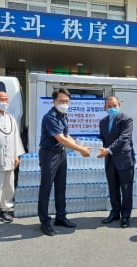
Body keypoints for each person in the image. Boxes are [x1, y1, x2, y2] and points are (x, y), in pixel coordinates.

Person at [38, 87, 90, 236]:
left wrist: (79, 146)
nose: (64, 104)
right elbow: (60, 139)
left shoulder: (63, 115)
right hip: (49, 154)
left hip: (61, 154)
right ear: (54, 101)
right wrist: (80, 150)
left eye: (67, 101)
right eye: (61, 101)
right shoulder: (50, 117)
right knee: (46, 188)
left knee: (61, 187)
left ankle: (61, 217)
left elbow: (66, 136)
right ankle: (45, 221)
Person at [0, 91, 25, 229]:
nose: (4, 102)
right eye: (1, 99)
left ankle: (5, 210)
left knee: (9, 185)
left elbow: (16, 138)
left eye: (6, 100)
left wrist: (16, 155)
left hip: (10, 157)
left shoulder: (11, 118)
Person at [98, 96, 135, 228]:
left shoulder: (126, 119)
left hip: (124, 159)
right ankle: (115, 213)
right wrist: (90, 145)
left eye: (114, 105)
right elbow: (101, 139)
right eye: (109, 106)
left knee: (126, 189)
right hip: (110, 161)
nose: (112, 108)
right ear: (105, 108)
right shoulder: (102, 122)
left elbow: (123, 138)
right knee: (113, 188)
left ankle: (125, 216)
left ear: (119, 104)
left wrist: (108, 150)